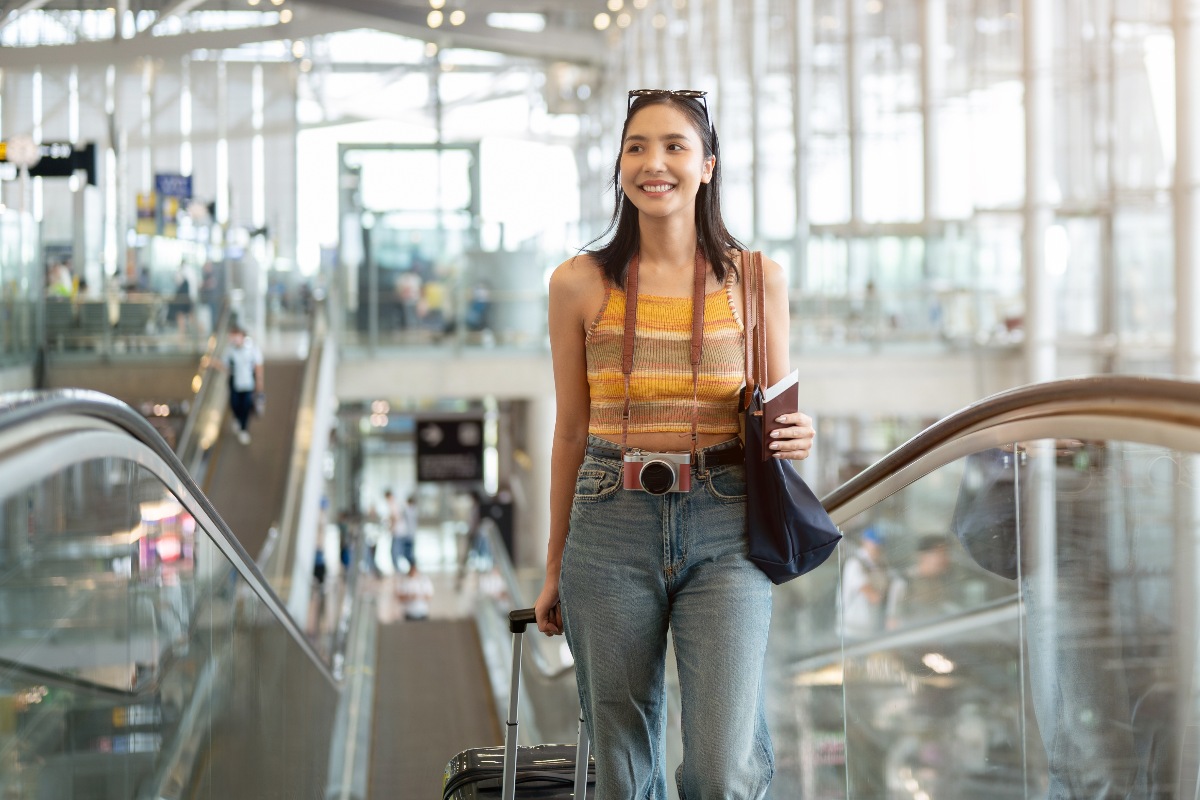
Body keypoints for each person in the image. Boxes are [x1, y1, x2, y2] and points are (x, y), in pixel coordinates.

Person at [532, 88, 815, 799]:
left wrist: (802, 434)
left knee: (720, 768)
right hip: (608, 520)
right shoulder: (577, 283)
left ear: (708, 166)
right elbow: (570, 430)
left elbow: (779, 413)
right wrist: (553, 561)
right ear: (620, 168)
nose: (653, 163)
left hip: (727, 522)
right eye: (637, 147)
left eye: (674, 146)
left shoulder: (755, 279)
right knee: (624, 773)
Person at [839, 526, 893, 638]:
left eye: (880, 543)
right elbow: (872, 596)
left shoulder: (881, 563)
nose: (877, 547)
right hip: (852, 631)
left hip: (871, 629)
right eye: (874, 543)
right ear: (864, 542)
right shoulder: (855, 563)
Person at [219, 323, 264, 445]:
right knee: (234, 403)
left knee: (246, 405)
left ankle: (244, 429)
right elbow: (225, 365)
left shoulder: (252, 348)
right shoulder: (230, 350)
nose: (234, 339)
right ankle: (237, 419)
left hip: (248, 383)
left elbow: (258, 366)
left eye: (236, 336)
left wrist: (259, 382)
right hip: (235, 382)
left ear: (242, 336)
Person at [385, 488, 414, 573]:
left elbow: (395, 518)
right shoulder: (396, 503)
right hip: (400, 532)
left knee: (395, 552)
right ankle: (404, 568)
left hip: (398, 532)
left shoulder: (393, 504)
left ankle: (398, 570)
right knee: (400, 552)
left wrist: (391, 527)